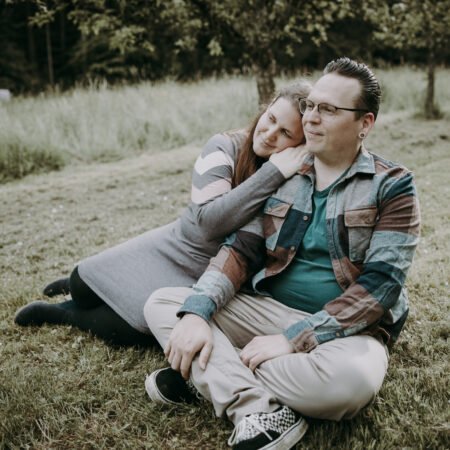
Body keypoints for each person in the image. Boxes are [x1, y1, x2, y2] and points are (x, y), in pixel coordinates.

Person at [143, 57, 421, 449]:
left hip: (344, 331)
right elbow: (239, 251)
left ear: (365, 123)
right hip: (266, 312)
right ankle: (257, 409)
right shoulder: (286, 173)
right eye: (311, 106)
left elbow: (382, 285)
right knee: (165, 304)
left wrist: (295, 339)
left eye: (329, 109)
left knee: (350, 384)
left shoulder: (392, 185)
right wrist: (197, 313)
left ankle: (212, 374)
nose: (311, 118)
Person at [14, 80, 311, 347]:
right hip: (178, 245)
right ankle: (83, 285)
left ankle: (62, 314)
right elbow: (209, 223)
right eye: (271, 118)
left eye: (285, 132)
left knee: (136, 329)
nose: (270, 134)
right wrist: (273, 172)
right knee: (82, 284)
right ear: (266, 108)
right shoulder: (223, 147)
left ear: (299, 145)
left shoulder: (296, 178)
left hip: (215, 273)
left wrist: (281, 173)